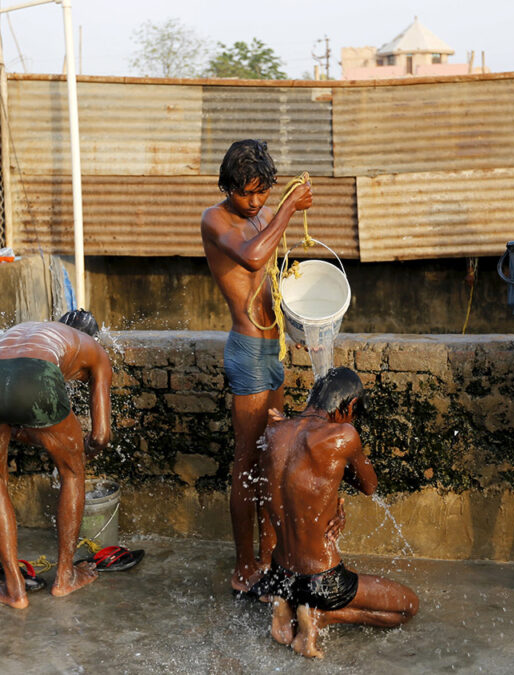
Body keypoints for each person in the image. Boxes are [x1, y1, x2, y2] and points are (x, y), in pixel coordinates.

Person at [200, 139, 313, 594]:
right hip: (246, 349)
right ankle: (245, 564)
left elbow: (270, 273)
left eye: (263, 193)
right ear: (228, 187)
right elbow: (251, 256)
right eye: (246, 193)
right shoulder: (216, 219)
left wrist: (302, 318)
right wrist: (285, 209)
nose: (255, 202)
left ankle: (271, 556)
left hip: (274, 349)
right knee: (245, 460)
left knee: (274, 454)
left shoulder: (262, 213)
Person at [253, 367, 418, 658]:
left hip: (280, 572)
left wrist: (332, 495)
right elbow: (369, 485)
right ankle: (318, 617)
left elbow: (291, 487)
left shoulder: (274, 429)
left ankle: (285, 603)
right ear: (350, 406)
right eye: (355, 413)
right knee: (408, 607)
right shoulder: (343, 435)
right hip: (321, 580)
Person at [0, 310, 111, 609]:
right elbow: (101, 436)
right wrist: (80, 452)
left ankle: (14, 589)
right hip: (36, 375)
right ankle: (65, 577)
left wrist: (30, 432)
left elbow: (12, 399)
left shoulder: (30, 330)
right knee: (73, 473)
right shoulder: (94, 350)